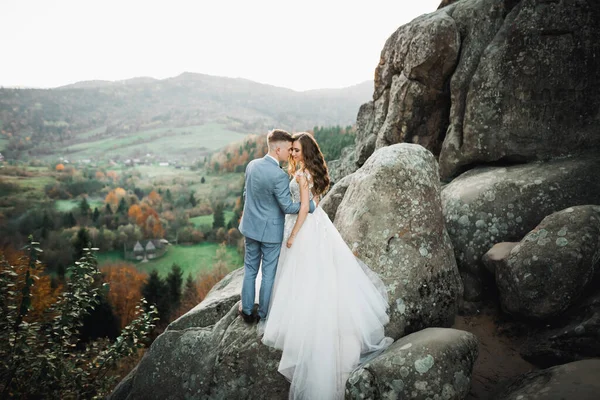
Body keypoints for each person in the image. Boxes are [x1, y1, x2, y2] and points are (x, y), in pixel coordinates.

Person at [262, 132, 392, 400]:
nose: (293, 154)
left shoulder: (301, 175)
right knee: (320, 271)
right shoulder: (312, 173)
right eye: (292, 150)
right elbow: (314, 205)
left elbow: (302, 210)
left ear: (305, 152)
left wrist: (294, 234)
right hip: (320, 226)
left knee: (303, 274)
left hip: (306, 228)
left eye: (297, 150)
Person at [238, 129, 316, 324]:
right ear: (278, 149)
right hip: (270, 233)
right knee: (268, 274)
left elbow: (246, 195)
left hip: (250, 227)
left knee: (250, 269)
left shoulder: (252, 165)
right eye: (289, 149)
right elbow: (288, 206)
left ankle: (247, 311)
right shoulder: (279, 176)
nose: (290, 153)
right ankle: (263, 314)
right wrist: (310, 205)